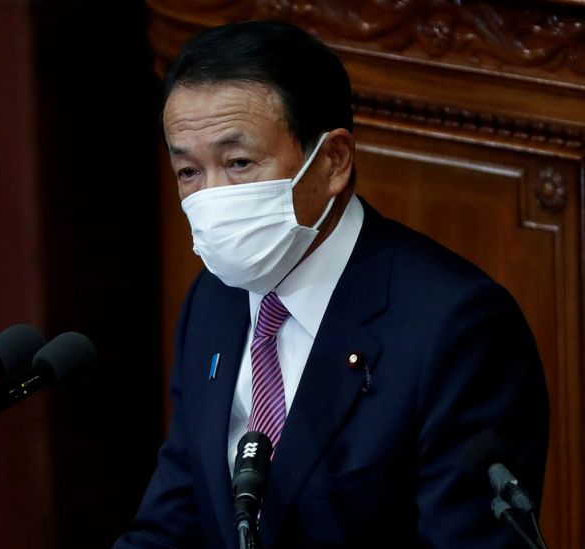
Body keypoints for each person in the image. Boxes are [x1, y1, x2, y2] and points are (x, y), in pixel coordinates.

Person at [114, 20, 548, 549]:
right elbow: (173, 523)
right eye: (188, 172)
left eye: (238, 163)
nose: (210, 198)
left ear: (334, 161)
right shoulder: (214, 299)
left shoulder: (456, 328)